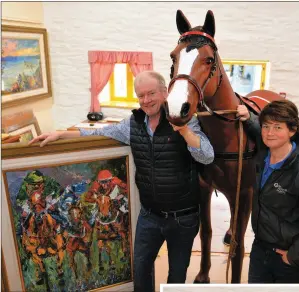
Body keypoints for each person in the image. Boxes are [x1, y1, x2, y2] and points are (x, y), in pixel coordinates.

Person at [29, 71, 214, 291]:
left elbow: (207, 155)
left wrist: (183, 130)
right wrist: (60, 134)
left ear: (165, 92)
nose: (146, 100)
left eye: (151, 93)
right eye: (141, 96)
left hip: (183, 219)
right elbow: (99, 132)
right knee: (140, 268)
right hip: (150, 216)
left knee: (177, 274)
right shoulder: (132, 124)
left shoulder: (186, 121)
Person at [236, 100, 299, 283]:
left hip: (288, 260)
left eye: (277, 127)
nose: (270, 133)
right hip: (260, 249)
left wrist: (294, 257)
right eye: (266, 126)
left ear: (293, 130)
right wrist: (249, 118)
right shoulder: (265, 152)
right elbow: (261, 133)